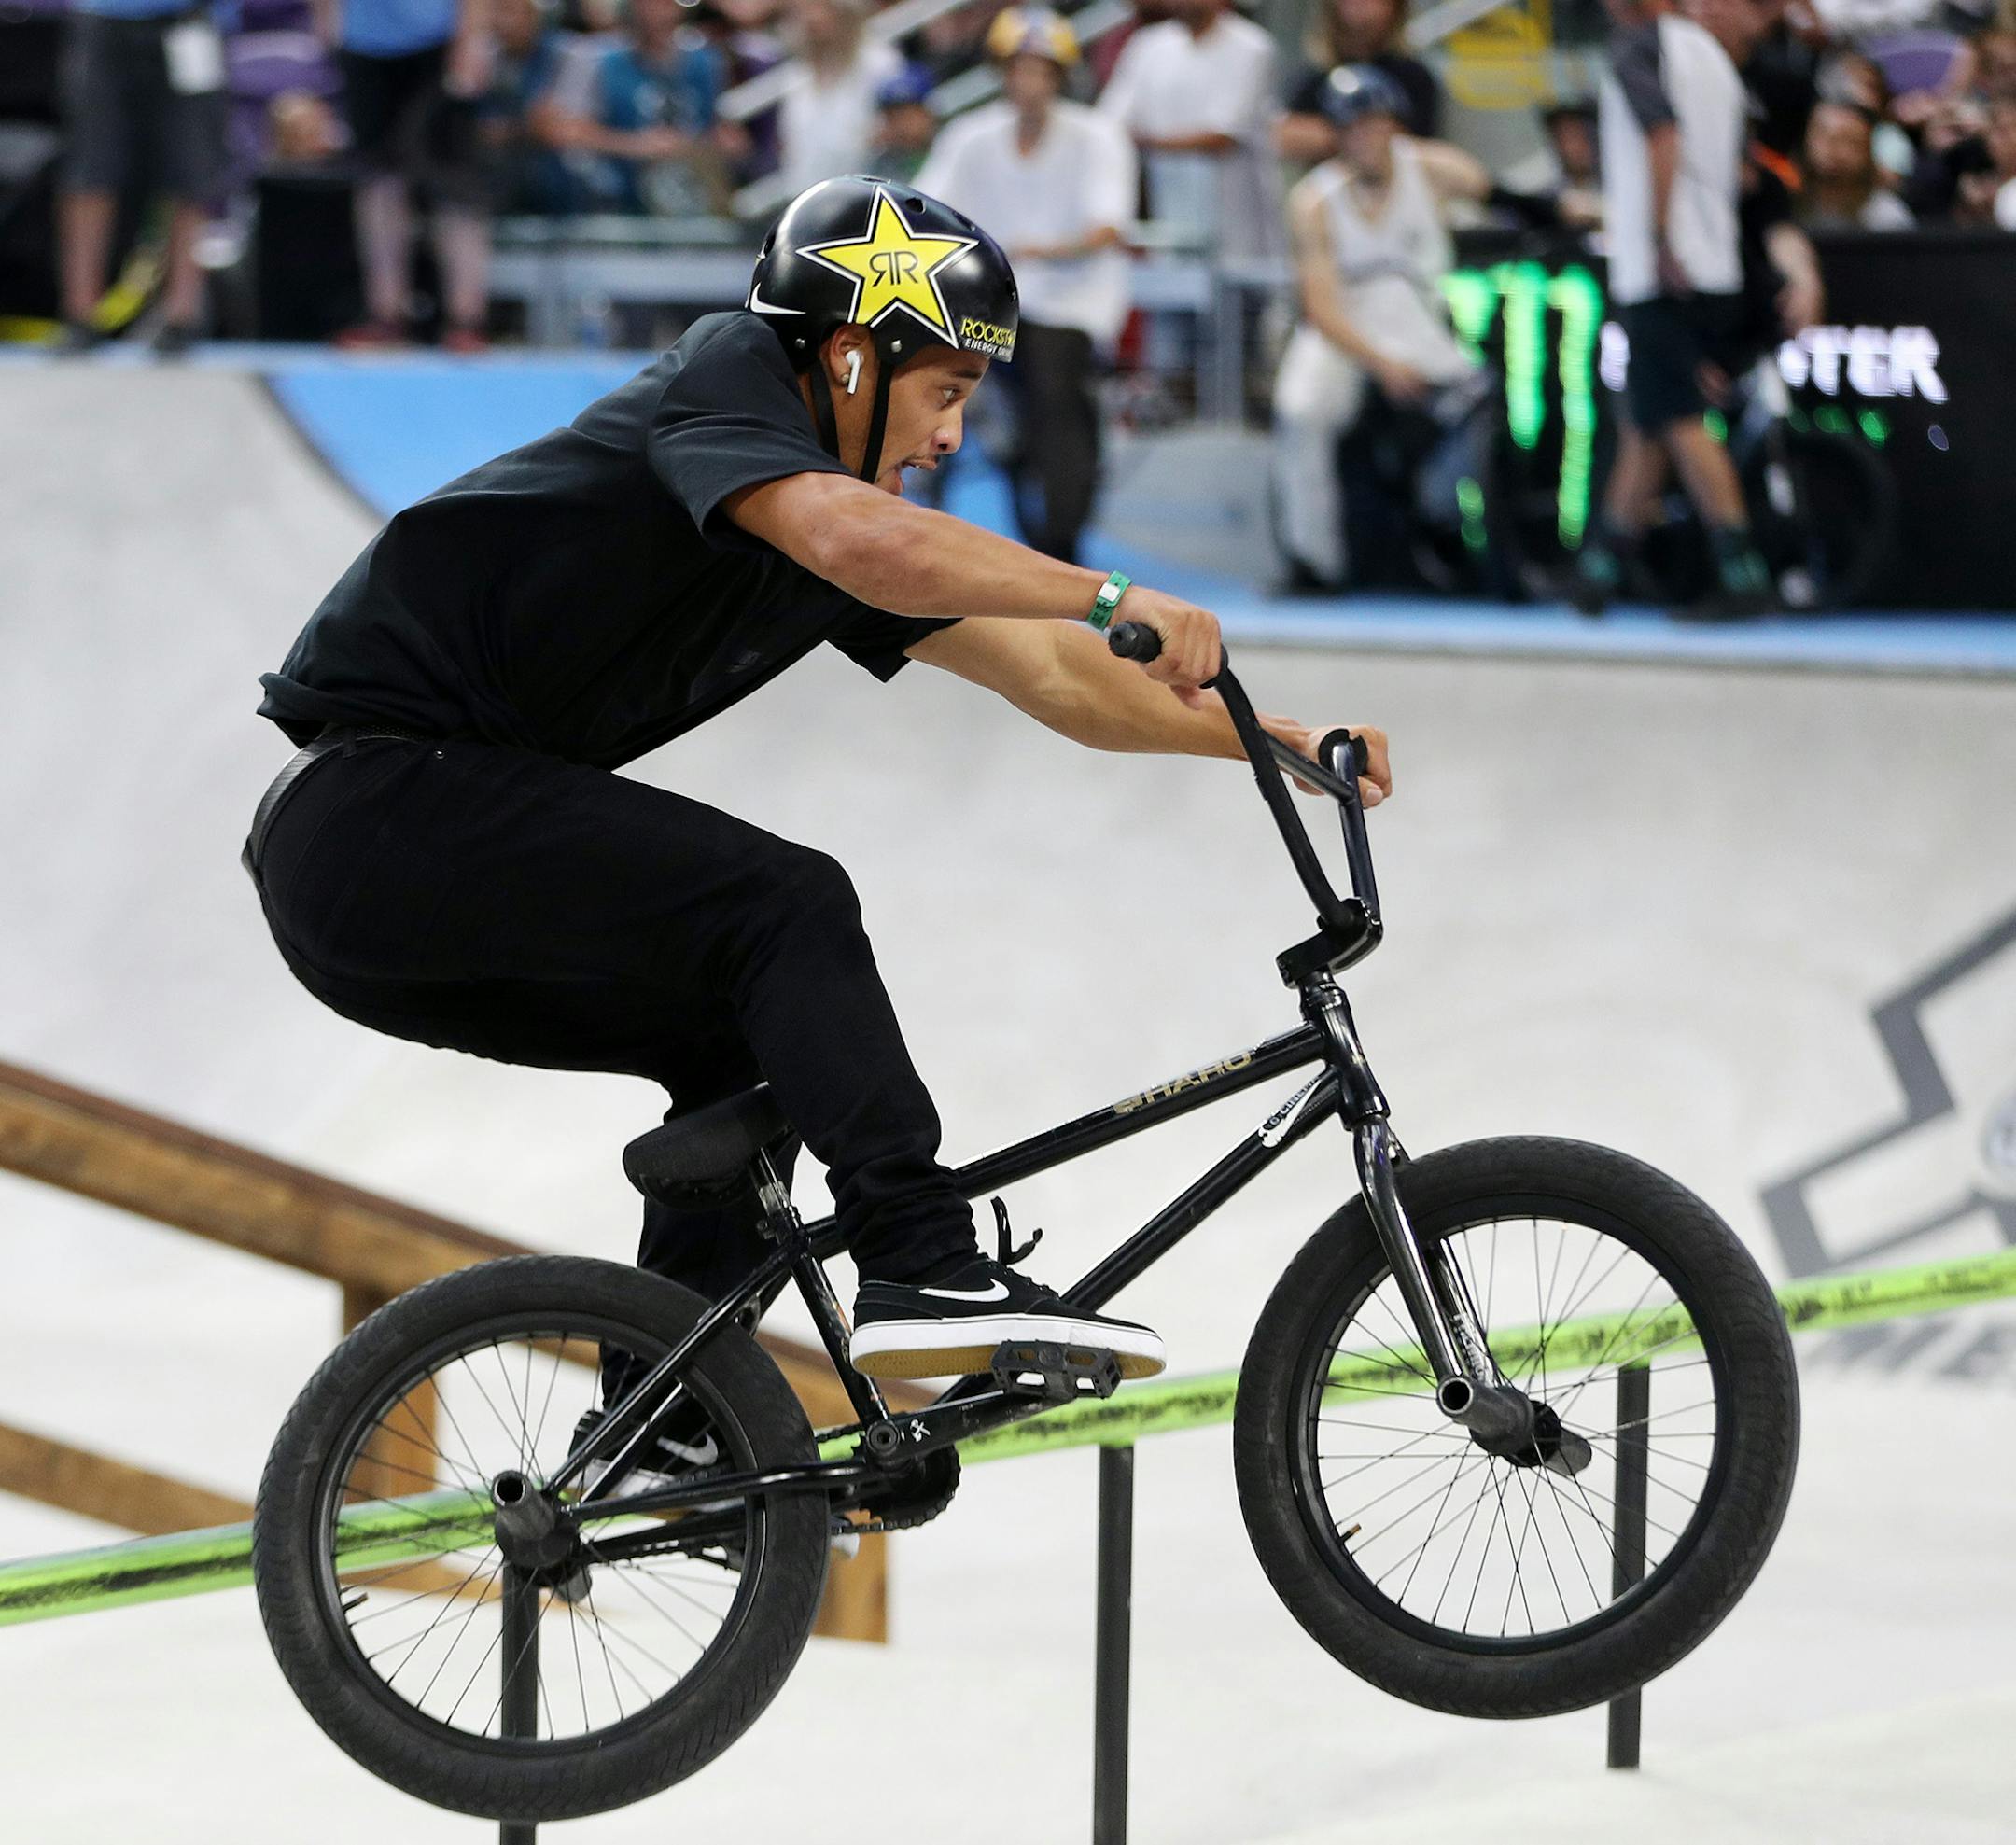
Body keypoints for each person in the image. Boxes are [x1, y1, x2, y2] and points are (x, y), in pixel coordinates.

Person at [243, 175, 1395, 1441]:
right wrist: (1111, 589)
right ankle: (920, 1257)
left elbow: (1054, 676)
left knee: (760, 1033)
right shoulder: (729, 385)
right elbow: (867, 543)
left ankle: (661, 1427)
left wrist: (1268, 742)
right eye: (945, 391)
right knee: (785, 905)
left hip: (408, 861)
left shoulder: (825, 527)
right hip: (373, 810)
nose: (951, 438)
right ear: (850, 358)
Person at [1570, 0, 1780, 618]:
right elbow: (1743, 172)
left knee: (1681, 421)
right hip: (1714, 265)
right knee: (1651, 423)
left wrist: (1662, 236)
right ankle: (1599, 573)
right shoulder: (1715, 57)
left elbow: (1662, 135)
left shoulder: (1640, 47)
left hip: (1665, 269)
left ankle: (1744, 576)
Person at [918, 8, 1137, 562]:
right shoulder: (969, 136)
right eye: (1018, 69)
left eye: (1041, 70)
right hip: (984, 306)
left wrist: (1031, 251)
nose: (1028, 82)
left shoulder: (1098, 135)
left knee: (1054, 391)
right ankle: (917, 519)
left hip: (1070, 305)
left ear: (1061, 76)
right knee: (922, 371)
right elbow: (922, 210)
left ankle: (1062, 539)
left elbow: (1108, 226)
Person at [1269, 65, 1495, 592]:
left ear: (1394, 125)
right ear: (1336, 135)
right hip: (1345, 327)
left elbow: (1494, 192)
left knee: (1477, 401)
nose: (1366, 137)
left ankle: (1448, 524)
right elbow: (1321, 307)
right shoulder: (1313, 200)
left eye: (1376, 123)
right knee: (1301, 410)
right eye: (1353, 127)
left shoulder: (1433, 169)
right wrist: (1383, 365)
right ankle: (1313, 559)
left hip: (1417, 314)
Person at [53, 0, 231, 355]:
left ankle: (182, 316)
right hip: (102, 17)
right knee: (90, 170)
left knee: (193, 172)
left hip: (190, 22)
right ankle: (80, 316)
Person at [319, 0, 494, 349]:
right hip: (363, 43)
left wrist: (473, 38)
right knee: (377, 184)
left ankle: (467, 318)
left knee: (455, 188)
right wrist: (327, 25)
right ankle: (385, 315)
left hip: (439, 41)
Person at [1098, 0, 1279, 262]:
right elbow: (1108, 125)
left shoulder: (1252, 46)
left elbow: (1222, 137)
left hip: (1236, 226)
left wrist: (1144, 142)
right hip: (1167, 214)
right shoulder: (1148, 45)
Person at [551, 0, 729, 217]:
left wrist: (706, 146)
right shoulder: (597, 58)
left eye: (665, 4)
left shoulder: (706, 61)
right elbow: (564, 130)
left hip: (691, 196)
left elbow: (718, 131)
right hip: (618, 202)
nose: (656, 11)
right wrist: (636, 145)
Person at [1278, 0, 1441, 167]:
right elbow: (1285, 137)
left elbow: (1426, 150)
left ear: (1396, 9)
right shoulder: (1313, 79)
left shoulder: (1414, 78)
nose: (1364, 7)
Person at [777, 0, 902, 193]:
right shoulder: (797, 77)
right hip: (814, 193)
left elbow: (896, 127)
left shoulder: (879, 61)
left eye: (820, 7)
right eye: (802, 11)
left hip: (873, 185)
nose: (812, 18)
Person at [1799, 97, 1916, 224]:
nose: (1835, 151)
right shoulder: (1788, 202)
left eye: (1851, 141)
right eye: (1825, 136)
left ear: (1868, 151)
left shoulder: (1888, 216)